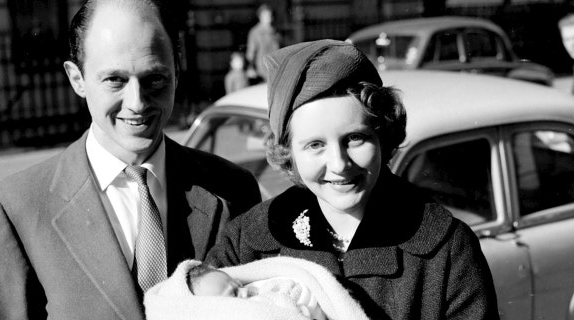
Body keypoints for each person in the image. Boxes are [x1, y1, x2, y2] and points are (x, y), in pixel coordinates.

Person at [0, 0, 261, 319]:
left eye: (154, 79)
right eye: (115, 80)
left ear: (177, 73)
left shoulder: (233, 188)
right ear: (77, 79)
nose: (137, 103)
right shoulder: (16, 209)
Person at [206, 39, 500, 319]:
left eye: (355, 138)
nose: (339, 164)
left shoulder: (445, 247)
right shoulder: (249, 240)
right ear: (289, 153)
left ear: (383, 136)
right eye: (315, 145)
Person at [143, 257, 369, 320]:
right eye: (232, 295)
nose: (246, 292)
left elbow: (298, 291)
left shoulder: (264, 292)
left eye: (239, 285)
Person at [245, 3, 281, 82]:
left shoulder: (274, 31)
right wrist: (250, 67)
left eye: (269, 15)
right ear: (260, 17)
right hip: (262, 70)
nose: (267, 18)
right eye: (265, 16)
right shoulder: (255, 32)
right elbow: (250, 53)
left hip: (275, 67)